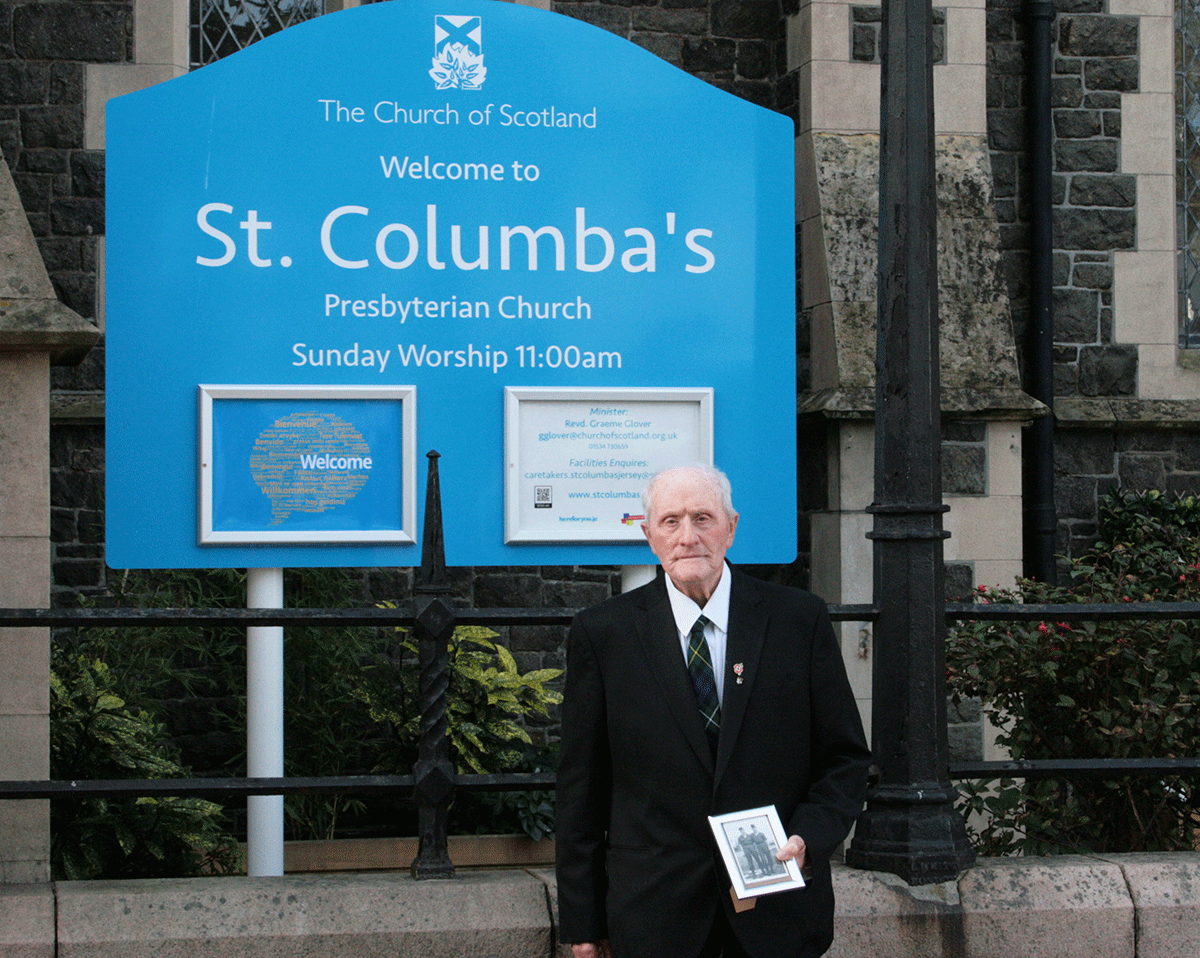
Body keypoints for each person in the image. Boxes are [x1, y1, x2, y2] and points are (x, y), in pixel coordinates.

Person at [555, 464, 871, 958]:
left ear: (731, 527)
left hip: (776, 914)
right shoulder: (604, 634)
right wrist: (583, 921)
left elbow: (846, 759)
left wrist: (808, 837)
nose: (688, 537)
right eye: (671, 522)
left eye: (703, 518)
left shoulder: (797, 621)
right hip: (655, 916)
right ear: (648, 535)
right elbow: (582, 788)